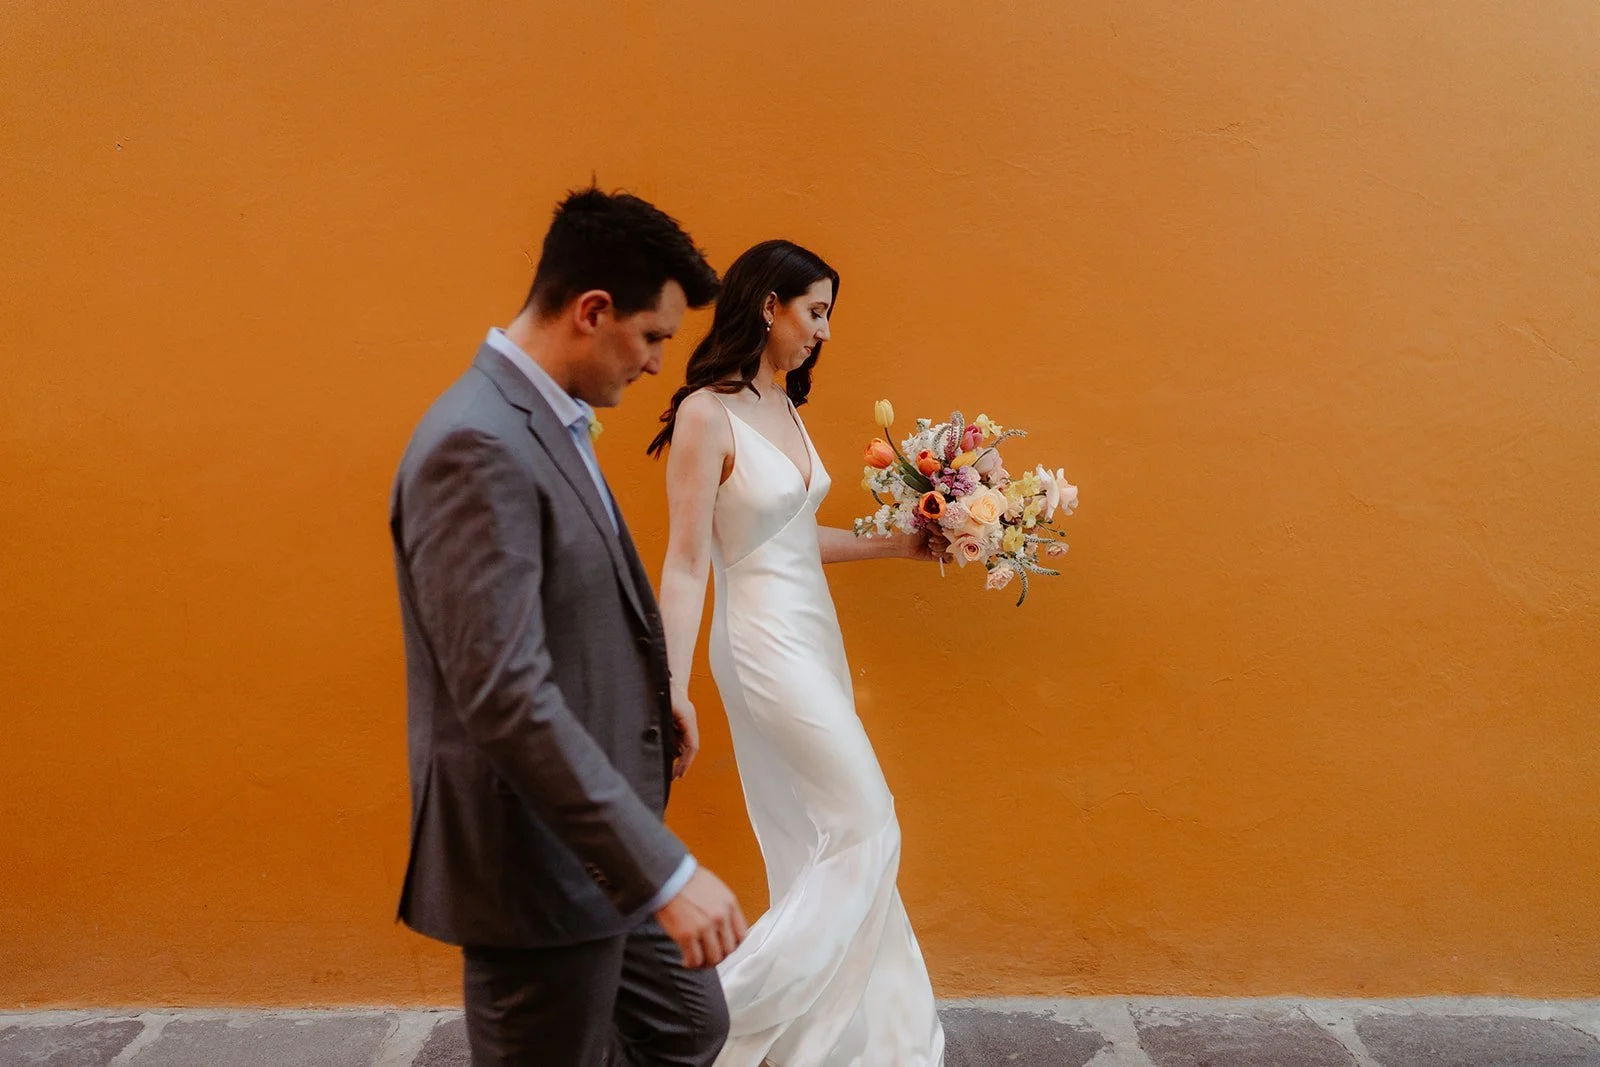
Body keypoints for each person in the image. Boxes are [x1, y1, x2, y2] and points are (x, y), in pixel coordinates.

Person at [390, 188, 747, 1066]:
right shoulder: (475, 445)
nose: (659, 363)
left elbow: (576, 601)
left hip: (596, 845)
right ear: (592, 311)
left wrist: (655, 694)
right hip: (534, 865)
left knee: (688, 1025)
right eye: (653, 335)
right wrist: (666, 870)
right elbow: (502, 693)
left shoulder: (544, 417)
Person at [649, 240, 947, 1065]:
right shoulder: (706, 414)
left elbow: (792, 536)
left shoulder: (784, 405)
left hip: (814, 634)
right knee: (864, 821)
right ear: (768, 305)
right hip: (760, 642)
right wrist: (672, 684)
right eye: (815, 311)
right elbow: (687, 561)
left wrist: (902, 543)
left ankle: (861, 1042)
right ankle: (710, 1019)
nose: (824, 330)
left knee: (820, 839)